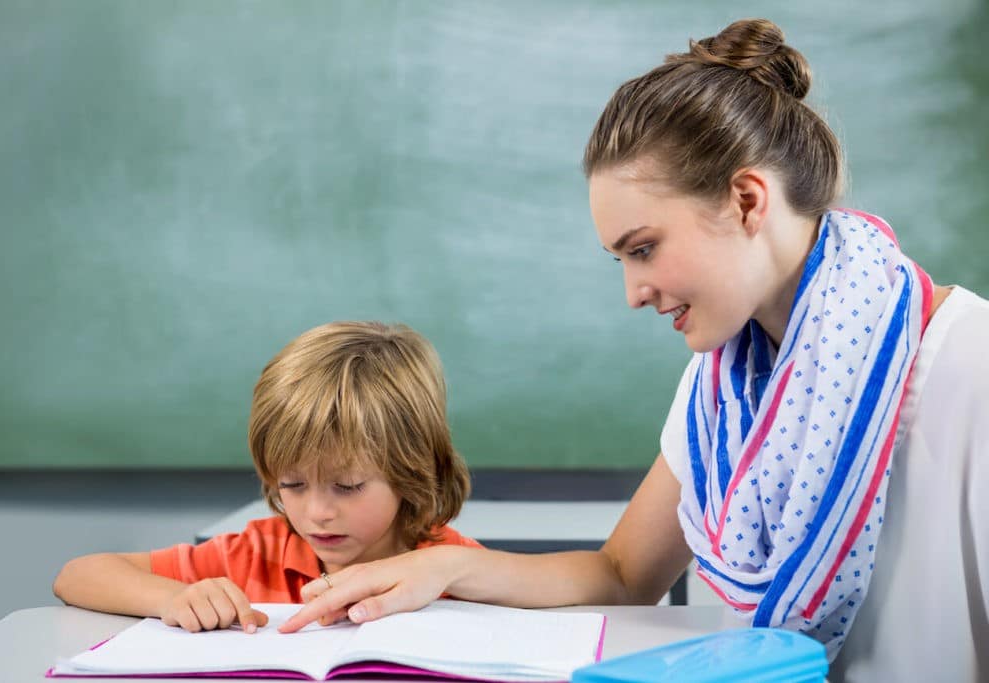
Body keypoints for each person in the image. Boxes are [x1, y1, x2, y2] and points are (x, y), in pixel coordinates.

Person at [275, 19, 989, 682]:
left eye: (643, 249)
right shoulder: (722, 390)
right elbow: (622, 572)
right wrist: (442, 570)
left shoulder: (971, 365)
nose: (633, 292)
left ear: (746, 201)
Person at [52, 321, 479, 633]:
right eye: (292, 485)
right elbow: (77, 575)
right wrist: (173, 597)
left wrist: (459, 570)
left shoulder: (443, 564)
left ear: (411, 469)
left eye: (347, 486)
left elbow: (548, 578)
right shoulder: (256, 554)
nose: (317, 513)